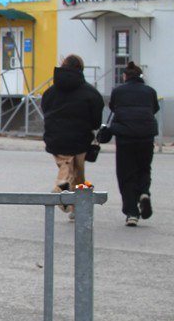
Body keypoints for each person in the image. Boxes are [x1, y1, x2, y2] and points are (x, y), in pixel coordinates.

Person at [40, 54, 103, 219]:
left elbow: (45, 110)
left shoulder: (50, 92)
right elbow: (96, 120)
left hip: (56, 137)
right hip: (81, 139)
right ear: (81, 69)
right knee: (78, 171)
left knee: (65, 165)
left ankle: (66, 192)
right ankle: (69, 196)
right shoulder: (90, 92)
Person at [108, 62, 158, 227]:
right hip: (146, 137)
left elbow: (113, 107)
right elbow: (154, 108)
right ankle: (144, 193)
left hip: (125, 138)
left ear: (125, 76)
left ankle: (132, 213)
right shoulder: (150, 91)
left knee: (126, 174)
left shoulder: (118, 91)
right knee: (144, 168)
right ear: (140, 76)